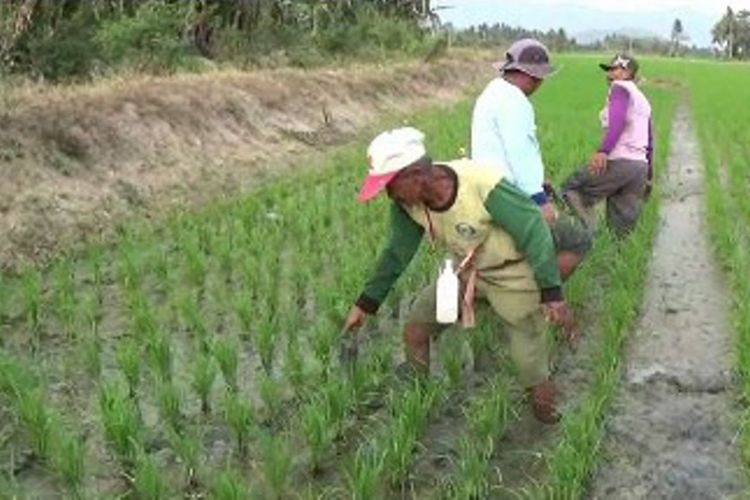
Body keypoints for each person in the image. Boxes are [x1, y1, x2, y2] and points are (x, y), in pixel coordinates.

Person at [341, 127, 576, 424]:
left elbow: (534, 231)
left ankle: (549, 423)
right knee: (416, 329)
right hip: (464, 271)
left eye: (390, 185)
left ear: (415, 175)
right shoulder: (406, 204)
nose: (389, 195)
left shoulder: (480, 182)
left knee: (530, 363)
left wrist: (552, 293)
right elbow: (396, 254)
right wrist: (365, 304)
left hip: (511, 273)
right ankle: (417, 399)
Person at [471, 38, 591, 279]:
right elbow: (519, 152)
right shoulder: (515, 102)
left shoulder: (493, 92)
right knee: (576, 241)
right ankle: (540, 295)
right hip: (509, 194)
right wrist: (540, 201)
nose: (540, 84)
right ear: (532, 76)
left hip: (486, 189)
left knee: (516, 249)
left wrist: (541, 181)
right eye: (540, 78)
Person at [562, 54, 654, 236]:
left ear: (627, 72)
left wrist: (603, 151)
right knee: (621, 230)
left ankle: (590, 235)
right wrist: (649, 173)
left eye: (614, 69)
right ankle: (618, 258)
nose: (609, 74)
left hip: (620, 160)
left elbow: (618, 122)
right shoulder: (642, 99)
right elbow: (649, 140)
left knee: (572, 189)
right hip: (639, 168)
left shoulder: (619, 88)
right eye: (609, 70)